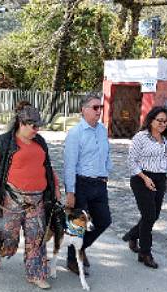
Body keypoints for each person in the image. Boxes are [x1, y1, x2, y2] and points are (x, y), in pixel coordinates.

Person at [0, 104, 60, 289]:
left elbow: (47, 167)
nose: (37, 130)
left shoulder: (40, 142)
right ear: (21, 123)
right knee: (7, 238)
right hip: (12, 199)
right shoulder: (4, 142)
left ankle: (36, 274)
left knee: (37, 237)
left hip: (37, 200)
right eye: (34, 126)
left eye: (38, 126)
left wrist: (56, 187)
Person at [63, 94, 112, 275]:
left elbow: (107, 154)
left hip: (99, 184)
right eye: (95, 107)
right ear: (83, 110)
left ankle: (81, 248)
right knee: (78, 225)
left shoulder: (102, 130)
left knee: (104, 220)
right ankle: (72, 260)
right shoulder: (76, 133)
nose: (99, 111)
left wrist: (107, 171)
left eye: (101, 107)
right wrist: (70, 191)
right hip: (81, 183)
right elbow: (69, 164)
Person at [124, 106, 167, 269]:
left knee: (154, 215)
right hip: (141, 178)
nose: (163, 124)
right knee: (148, 216)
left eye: (165, 121)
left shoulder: (166, 140)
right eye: (159, 120)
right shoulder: (141, 137)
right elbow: (131, 161)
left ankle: (132, 235)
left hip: (160, 179)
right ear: (151, 120)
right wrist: (144, 178)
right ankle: (145, 253)